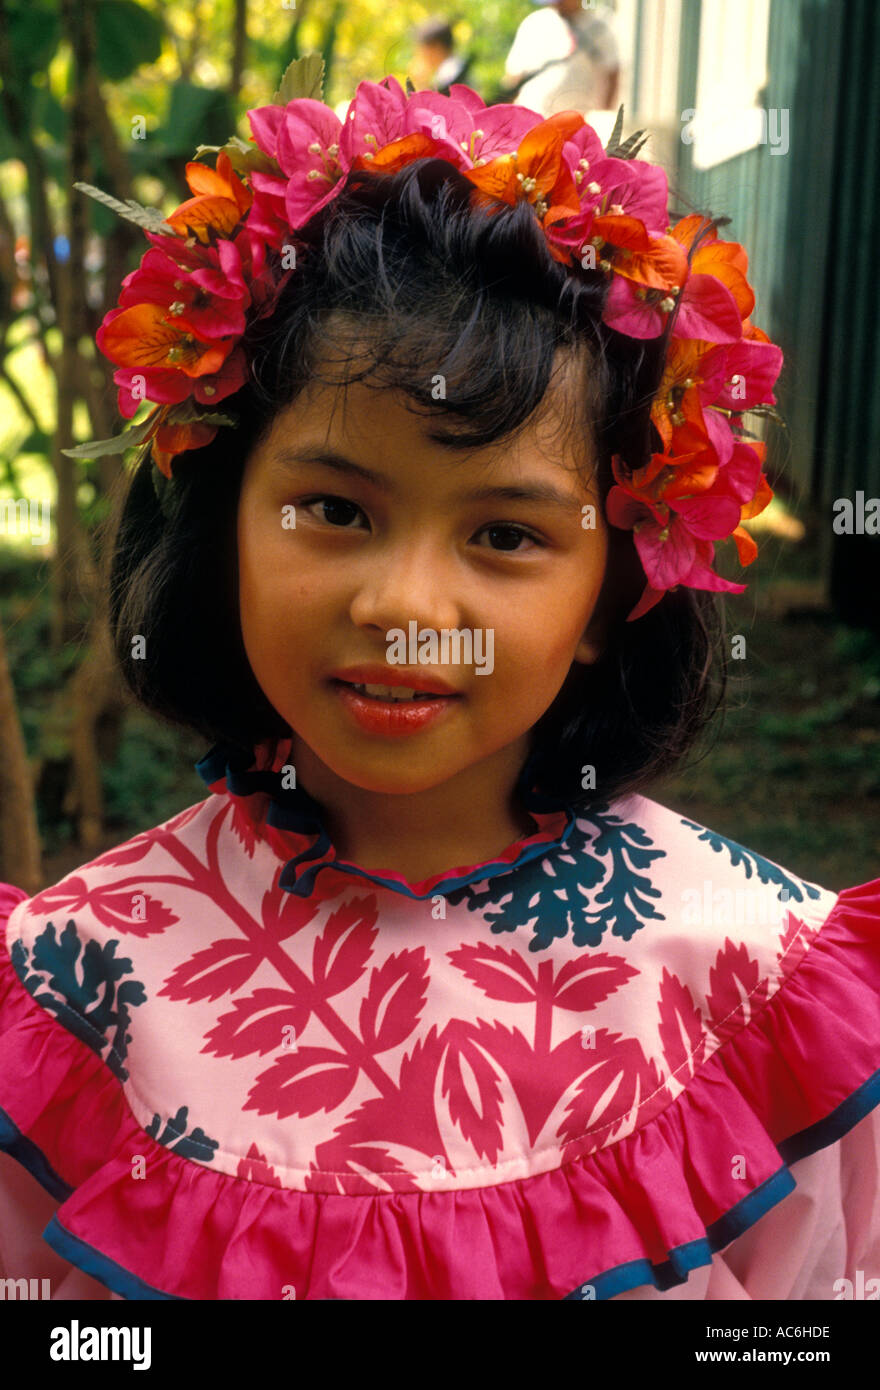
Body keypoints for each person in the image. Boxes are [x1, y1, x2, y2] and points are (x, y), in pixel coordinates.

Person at [0, 69, 878, 1302]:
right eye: (333, 510)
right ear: (223, 530)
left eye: (506, 535)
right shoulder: (68, 998)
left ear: (615, 590)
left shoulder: (764, 997)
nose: (405, 607)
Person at [502, 0, 620, 115]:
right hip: (533, 113)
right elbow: (514, 74)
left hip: (576, 117)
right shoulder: (535, 22)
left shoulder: (599, 25)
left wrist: (605, 111)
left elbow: (612, 71)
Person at [410, 17, 472, 96]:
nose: (421, 55)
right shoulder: (457, 65)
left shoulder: (449, 72)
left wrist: (422, 84)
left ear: (436, 47)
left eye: (423, 49)